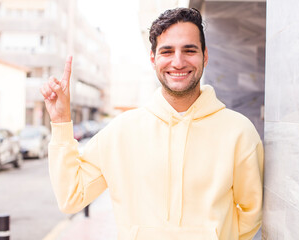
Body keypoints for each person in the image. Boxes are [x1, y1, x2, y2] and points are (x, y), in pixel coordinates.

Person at [40, 8, 263, 240]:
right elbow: (71, 196)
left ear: (205, 56)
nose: (178, 61)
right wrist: (61, 122)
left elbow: (251, 213)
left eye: (189, 50)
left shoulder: (239, 131)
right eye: (167, 51)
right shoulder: (121, 131)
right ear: (153, 58)